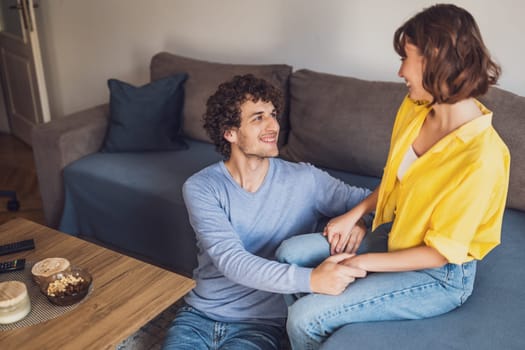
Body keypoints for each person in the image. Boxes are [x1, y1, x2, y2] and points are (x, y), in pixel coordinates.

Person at [277, 4, 510, 349]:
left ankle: (312, 324)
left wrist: (359, 262)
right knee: (289, 253)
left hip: (439, 275)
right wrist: (354, 215)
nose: (400, 70)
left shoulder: (482, 156)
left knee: (304, 317)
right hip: (395, 235)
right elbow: (397, 178)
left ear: (434, 58)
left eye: (406, 58)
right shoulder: (416, 108)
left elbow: (438, 253)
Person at [161, 74, 386, 350]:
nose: (273, 125)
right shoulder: (201, 187)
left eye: (273, 114)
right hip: (198, 316)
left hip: (261, 325)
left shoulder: (306, 180)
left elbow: (382, 200)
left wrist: (359, 217)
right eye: (258, 118)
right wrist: (312, 280)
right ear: (230, 132)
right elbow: (232, 261)